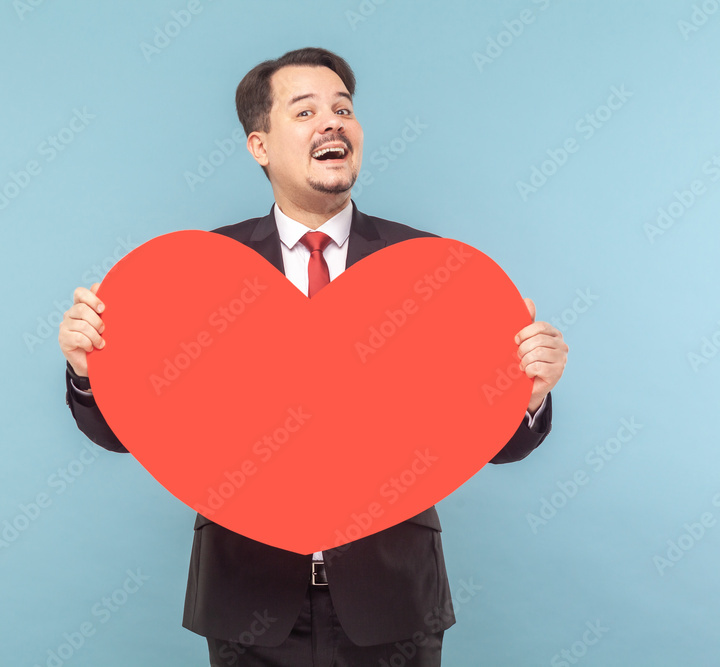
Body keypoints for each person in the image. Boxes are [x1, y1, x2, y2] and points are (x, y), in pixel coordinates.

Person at [59, 47, 568, 667]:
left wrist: (531, 393)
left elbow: (499, 442)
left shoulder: (430, 272)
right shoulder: (202, 277)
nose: (332, 123)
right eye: (305, 111)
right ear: (260, 145)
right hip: (248, 603)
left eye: (344, 109)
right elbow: (126, 430)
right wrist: (90, 373)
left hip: (394, 603)